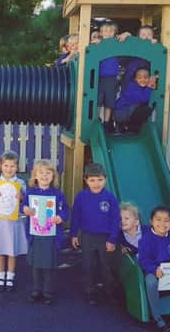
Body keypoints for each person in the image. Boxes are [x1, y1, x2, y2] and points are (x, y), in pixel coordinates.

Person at [70, 163, 120, 305]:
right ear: (86, 180)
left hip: (105, 238)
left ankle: (108, 291)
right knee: (88, 265)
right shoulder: (81, 196)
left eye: (99, 179)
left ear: (105, 179)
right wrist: (74, 234)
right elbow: (76, 217)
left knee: (106, 265)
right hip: (87, 236)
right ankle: (90, 291)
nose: (96, 183)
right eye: (92, 180)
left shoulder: (110, 197)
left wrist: (112, 239)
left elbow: (115, 219)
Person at [23, 159, 68, 305]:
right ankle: (37, 289)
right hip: (35, 234)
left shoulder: (58, 194)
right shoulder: (30, 193)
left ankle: (48, 292)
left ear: (53, 176)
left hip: (51, 235)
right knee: (36, 264)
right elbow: (23, 207)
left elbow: (65, 210)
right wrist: (26, 210)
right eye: (41, 173)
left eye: (48, 173)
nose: (44, 176)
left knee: (49, 264)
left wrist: (60, 217)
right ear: (35, 176)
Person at [0, 150, 28, 292]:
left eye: (12, 166)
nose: (9, 169)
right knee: (0, 250)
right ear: (1, 166)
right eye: (6, 166)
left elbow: (25, 201)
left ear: (17, 167)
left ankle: (10, 277)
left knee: (12, 250)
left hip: (13, 222)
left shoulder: (20, 183)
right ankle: (0, 276)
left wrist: (21, 197)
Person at [91, 21, 120, 132]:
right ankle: (96, 119)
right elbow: (89, 50)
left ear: (115, 33)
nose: (107, 33)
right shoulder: (98, 43)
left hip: (111, 77)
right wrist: (94, 42)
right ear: (101, 33)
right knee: (97, 99)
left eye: (110, 30)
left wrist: (126, 34)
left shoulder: (118, 44)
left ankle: (107, 122)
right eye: (105, 31)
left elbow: (128, 39)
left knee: (109, 101)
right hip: (99, 76)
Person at [113, 67, 156, 134]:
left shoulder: (143, 88)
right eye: (139, 78)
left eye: (146, 77)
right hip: (121, 112)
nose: (143, 80)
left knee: (144, 108)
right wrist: (149, 87)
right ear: (135, 79)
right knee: (145, 110)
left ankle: (129, 127)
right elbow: (142, 98)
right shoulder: (132, 86)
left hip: (130, 111)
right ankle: (131, 128)